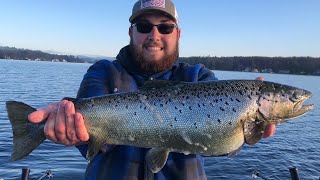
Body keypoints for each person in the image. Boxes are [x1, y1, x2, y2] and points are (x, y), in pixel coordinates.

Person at [28, 0, 276, 179]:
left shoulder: (198, 76)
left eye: (165, 27)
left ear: (178, 34)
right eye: (144, 26)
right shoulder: (103, 71)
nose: (154, 35)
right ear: (130, 32)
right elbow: (88, 140)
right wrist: (68, 127)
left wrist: (248, 130)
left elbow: (222, 144)